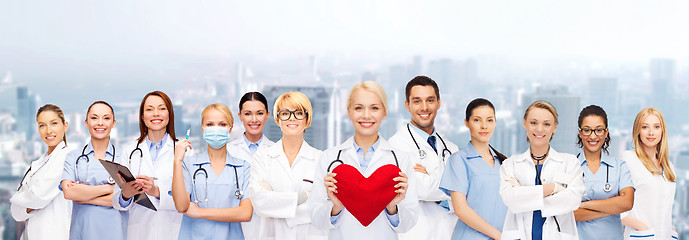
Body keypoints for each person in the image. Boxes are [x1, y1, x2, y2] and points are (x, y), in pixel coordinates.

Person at [309, 81, 419, 240]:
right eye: (358, 108)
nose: (366, 115)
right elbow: (316, 219)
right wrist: (336, 206)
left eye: (374, 108)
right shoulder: (329, 158)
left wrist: (392, 207)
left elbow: (409, 221)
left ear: (384, 112)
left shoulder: (401, 159)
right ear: (349, 112)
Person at [499, 100, 584, 240]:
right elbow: (510, 199)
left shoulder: (570, 163)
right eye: (533, 123)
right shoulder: (510, 164)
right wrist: (554, 188)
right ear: (524, 124)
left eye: (546, 124)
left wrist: (522, 195)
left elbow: (572, 200)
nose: (539, 129)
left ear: (554, 128)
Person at [389, 76, 459, 239]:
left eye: (430, 100)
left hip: (449, 233)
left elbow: (466, 193)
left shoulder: (451, 148)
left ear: (438, 103)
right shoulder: (397, 146)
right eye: (417, 101)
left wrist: (429, 179)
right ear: (407, 105)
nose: (424, 107)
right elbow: (424, 189)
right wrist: (453, 191)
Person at [250, 91, 327, 240]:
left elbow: (323, 208)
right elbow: (260, 201)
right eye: (285, 113)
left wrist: (278, 204)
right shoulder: (263, 158)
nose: (292, 118)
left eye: (298, 113)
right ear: (278, 119)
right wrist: (302, 197)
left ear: (307, 119)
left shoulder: (321, 159)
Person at [172, 103, 253, 240]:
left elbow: (246, 213)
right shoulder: (188, 165)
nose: (216, 129)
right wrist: (177, 161)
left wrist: (199, 212)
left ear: (230, 128)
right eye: (210, 124)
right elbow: (181, 205)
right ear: (203, 128)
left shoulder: (243, 167)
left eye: (222, 124)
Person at [112, 91, 184, 239]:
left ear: (169, 115)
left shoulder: (183, 150)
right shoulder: (130, 150)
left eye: (162, 108)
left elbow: (188, 200)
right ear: (142, 117)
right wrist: (126, 194)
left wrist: (156, 192)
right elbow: (117, 202)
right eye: (150, 109)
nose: (155, 114)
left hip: (173, 231)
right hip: (140, 232)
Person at [439, 98, 508, 240]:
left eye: (489, 120)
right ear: (467, 123)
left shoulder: (504, 163)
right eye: (477, 120)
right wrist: (499, 236)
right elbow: (460, 209)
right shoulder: (459, 160)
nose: (484, 126)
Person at [60, 101, 128, 240]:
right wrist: (111, 188)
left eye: (106, 118)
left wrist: (83, 196)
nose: (100, 123)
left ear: (114, 123)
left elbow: (126, 200)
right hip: (83, 232)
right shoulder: (74, 157)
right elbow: (69, 192)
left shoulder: (125, 157)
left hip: (115, 233)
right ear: (86, 122)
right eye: (94, 118)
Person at [11, 104, 74, 240]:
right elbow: (16, 213)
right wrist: (27, 205)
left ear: (65, 126)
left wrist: (16, 199)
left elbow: (38, 197)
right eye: (42, 125)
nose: (48, 131)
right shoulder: (38, 163)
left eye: (54, 123)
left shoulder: (66, 158)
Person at [573, 105, 634, 240]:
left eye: (599, 130)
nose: (593, 136)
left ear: (606, 132)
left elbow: (627, 203)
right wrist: (612, 208)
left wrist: (584, 205)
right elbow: (568, 213)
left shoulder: (619, 166)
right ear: (580, 132)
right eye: (587, 130)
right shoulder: (569, 166)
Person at [619, 108, 677, 239]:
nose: (651, 132)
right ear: (637, 131)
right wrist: (642, 227)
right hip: (642, 236)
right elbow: (616, 206)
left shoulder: (669, 167)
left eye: (656, 127)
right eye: (645, 127)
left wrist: (671, 231)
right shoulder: (629, 159)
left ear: (662, 131)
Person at [228, 92, 275, 240]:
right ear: (240, 116)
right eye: (248, 114)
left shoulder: (277, 152)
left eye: (259, 113)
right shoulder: (228, 151)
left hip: (268, 227)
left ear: (267, 115)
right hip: (234, 227)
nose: (254, 119)